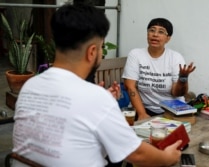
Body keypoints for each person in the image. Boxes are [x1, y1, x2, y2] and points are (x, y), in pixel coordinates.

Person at [12, 4, 182, 167]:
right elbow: (136, 154)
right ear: (92, 52)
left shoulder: (30, 85)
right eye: (101, 47)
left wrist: (101, 100)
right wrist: (167, 157)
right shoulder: (94, 98)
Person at [122, 18, 196, 121]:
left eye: (161, 32)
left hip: (171, 110)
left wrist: (183, 79)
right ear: (147, 34)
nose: (155, 34)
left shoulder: (175, 58)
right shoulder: (136, 55)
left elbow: (177, 93)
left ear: (168, 38)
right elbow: (130, 87)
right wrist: (142, 114)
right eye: (152, 30)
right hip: (144, 109)